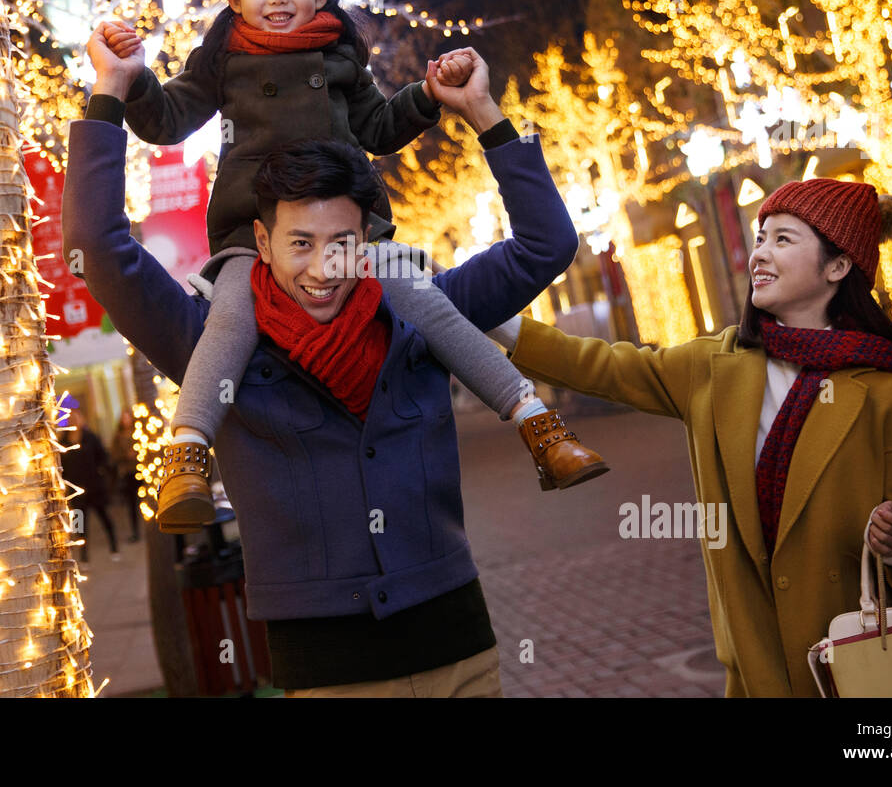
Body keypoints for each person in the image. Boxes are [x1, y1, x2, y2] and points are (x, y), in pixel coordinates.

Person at [93, 0, 606, 532]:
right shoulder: (221, 59)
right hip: (255, 237)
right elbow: (166, 121)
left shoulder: (339, 54)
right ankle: (187, 459)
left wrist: (426, 94)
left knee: (427, 302)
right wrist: (133, 78)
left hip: (352, 224)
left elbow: (378, 129)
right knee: (229, 320)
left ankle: (539, 426)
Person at [63, 50, 578, 695]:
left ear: (366, 239)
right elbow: (99, 250)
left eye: (342, 243)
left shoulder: (424, 313)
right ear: (262, 239)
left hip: (460, 653)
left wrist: (483, 113)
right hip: (327, 673)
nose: (323, 268)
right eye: (300, 243)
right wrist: (110, 92)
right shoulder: (212, 344)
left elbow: (546, 245)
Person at [487, 179, 892, 696]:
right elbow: (599, 367)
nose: (760, 254)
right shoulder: (715, 366)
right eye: (760, 237)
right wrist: (495, 317)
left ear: (837, 267)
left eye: (783, 240)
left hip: (857, 664)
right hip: (754, 670)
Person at [59, 404, 120, 564]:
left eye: (76, 417)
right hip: (76, 492)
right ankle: (84, 557)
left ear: (81, 419)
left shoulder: (91, 437)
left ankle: (114, 547)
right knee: (79, 526)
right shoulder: (63, 442)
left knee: (105, 518)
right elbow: (61, 467)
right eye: (70, 419)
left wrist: (104, 475)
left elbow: (103, 458)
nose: (74, 420)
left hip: (95, 488)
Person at [110, 408, 142, 543]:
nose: (126, 420)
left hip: (142, 471)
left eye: (127, 417)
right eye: (123, 418)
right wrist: (125, 456)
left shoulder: (139, 433)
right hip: (128, 473)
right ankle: (135, 531)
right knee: (132, 504)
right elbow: (114, 455)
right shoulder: (118, 436)